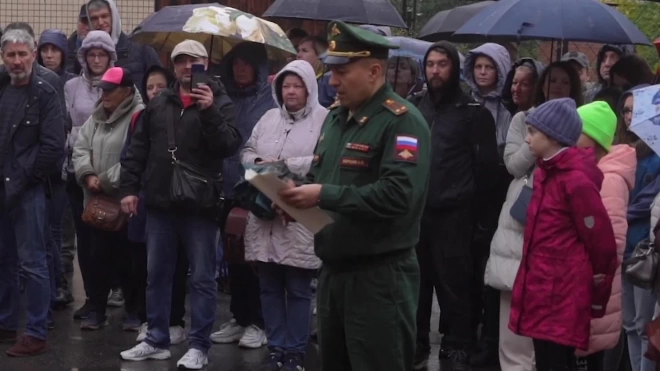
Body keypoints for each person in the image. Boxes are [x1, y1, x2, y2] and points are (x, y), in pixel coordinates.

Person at [277, 20, 430, 371]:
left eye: (342, 72)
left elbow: (398, 196)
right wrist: (296, 201)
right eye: (331, 71)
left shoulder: (402, 122)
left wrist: (323, 194)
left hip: (378, 278)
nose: (332, 82)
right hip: (333, 273)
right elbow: (321, 176)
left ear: (375, 70)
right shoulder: (336, 118)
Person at [119, 39, 241, 369]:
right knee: (156, 274)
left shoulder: (221, 101)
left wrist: (210, 110)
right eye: (182, 60)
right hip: (160, 204)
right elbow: (137, 150)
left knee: (202, 278)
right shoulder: (159, 105)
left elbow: (229, 145)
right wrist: (129, 189)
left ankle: (200, 345)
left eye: (195, 60)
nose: (188, 66)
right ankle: (157, 337)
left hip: (200, 207)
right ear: (173, 67)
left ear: (207, 64)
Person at [485, 59, 584, 371]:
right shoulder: (522, 120)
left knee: (548, 343)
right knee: (512, 337)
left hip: (552, 240)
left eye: (565, 82)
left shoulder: (581, 122)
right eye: (552, 80)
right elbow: (514, 165)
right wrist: (539, 135)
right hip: (517, 225)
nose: (556, 86)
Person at [409, 40, 499, 371]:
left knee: (455, 283)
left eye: (442, 64)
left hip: (455, 213)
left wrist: (481, 219)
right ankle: (416, 340)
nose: (435, 70)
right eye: (430, 64)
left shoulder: (472, 113)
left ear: (454, 68)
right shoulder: (414, 106)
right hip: (418, 212)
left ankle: (458, 343)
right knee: (416, 282)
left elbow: (486, 170)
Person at [509, 98, 618, 371]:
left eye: (533, 132)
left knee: (557, 362)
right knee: (545, 361)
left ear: (554, 137)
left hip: (562, 294)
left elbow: (602, 244)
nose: (527, 138)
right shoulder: (546, 173)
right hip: (541, 289)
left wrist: (597, 298)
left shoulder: (575, 180)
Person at [241, 60, 327, 371]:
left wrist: (284, 165)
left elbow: (322, 160)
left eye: (297, 85)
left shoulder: (324, 119)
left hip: (300, 212)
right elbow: (247, 153)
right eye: (286, 86)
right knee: (269, 285)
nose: (291, 91)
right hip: (265, 210)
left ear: (309, 88)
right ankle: (276, 349)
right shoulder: (267, 118)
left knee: (299, 287)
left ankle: (296, 352)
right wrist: (263, 163)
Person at [0, 27, 65, 356]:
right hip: (2, 188)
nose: (16, 61)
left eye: (22, 54)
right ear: (3, 57)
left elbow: (54, 146)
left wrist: (26, 177)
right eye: (10, 54)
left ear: (34, 53)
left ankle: (36, 332)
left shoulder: (46, 91)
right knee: (4, 260)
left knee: (33, 263)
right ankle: (6, 323)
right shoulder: (1, 87)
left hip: (29, 190)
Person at [211, 42, 276, 349]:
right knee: (234, 257)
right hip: (225, 187)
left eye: (246, 63)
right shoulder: (222, 96)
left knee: (256, 261)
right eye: (235, 63)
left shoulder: (269, 100)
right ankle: (239, 317)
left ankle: (259, 321)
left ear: (258, 67)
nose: (240, 69)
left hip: (255, 189)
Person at [72, 67, 144, 331]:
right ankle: (96, 309)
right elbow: (80, 148)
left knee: (129, 260)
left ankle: (134, 311)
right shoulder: (96, 116)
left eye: (110, 90)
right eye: (103, 89)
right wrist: (87, 174)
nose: (105, 94)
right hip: (97, 201)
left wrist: (104, 180)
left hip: (125, 202)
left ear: (126, 91)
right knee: (97, 258)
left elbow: (135, 157)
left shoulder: (139, 115)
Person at [125, 65, 190, 346]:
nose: (154, 92)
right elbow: (131, 154)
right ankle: (147, 319)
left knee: (176, 266)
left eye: (160, 86)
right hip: (145, 199)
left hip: (178, 199)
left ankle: (174, 320)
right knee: (145, 266)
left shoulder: (182, 115)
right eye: (150, 87)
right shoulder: (140, 117)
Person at [575, 101, 636, 370]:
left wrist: (595, 270)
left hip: (598, 280)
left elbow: (612, 235)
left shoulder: (609, 177)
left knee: (593, 353)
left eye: (577, 130)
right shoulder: (593, 170)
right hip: (589, 276)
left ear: (594, 137)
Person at [63, 29, 117, 320]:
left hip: (109, 173)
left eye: (102, 54)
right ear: (83, 56)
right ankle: (92, 298)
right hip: (77, 172)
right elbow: (65, 124)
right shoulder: (70, 86)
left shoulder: (121, 85)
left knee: (108, 238)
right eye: (91, 53)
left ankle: (111, 295)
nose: (96, 59)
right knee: (84, 238)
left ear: (111, 57)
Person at [617, 85, 660, 371]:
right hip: (622, 246)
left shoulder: (656, 157)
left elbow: (645, 203)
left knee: (645, 326)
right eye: (627, 111)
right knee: (629, 324)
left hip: (644, 249)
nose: (630, 117)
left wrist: (617, 210)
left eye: (636, 110)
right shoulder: (620, 149)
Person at [37, 28, 78, 315]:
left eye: (55, 50)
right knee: (43, 231)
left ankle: (61, 282)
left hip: (64, 166)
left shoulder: (71, 84)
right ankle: (49, 283)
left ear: (64, 53)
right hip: (39, 169)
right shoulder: (32, 81)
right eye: (45, 49)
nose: (49, 55)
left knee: (61, 231)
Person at [86, 0, 161, 96]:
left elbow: (160, 79)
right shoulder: (85, 53)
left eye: (104, 16)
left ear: (114, 16)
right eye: (94, 18)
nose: (100, 22)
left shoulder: (140, 47)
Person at [296, 35, 336, 107]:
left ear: (320, 55)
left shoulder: (328, 80)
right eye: (298, 51)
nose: (298, 55)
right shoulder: (299, 79)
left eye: (304, 50)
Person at [67, 4, 90, 74]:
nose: (88, 27)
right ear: (78, 21)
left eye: (91, 23)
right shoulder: (66, 48)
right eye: (84, 22)